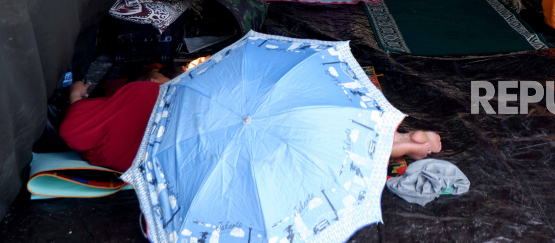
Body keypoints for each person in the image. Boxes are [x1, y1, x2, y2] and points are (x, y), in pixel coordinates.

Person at [61, 69, 440, 170]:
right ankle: (396, 137)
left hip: (218, 149)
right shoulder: (143, 94)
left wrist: (76, 95)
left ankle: (397, 145)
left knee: (313, 152)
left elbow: (73, 132)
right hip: (230, 118)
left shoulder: (115, 150)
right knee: (308, 123)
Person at [60, 69, 179, 172]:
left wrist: (75, 95)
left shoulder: (144, 91)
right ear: (152, 81)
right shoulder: (157, 91)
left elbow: (74, 132)